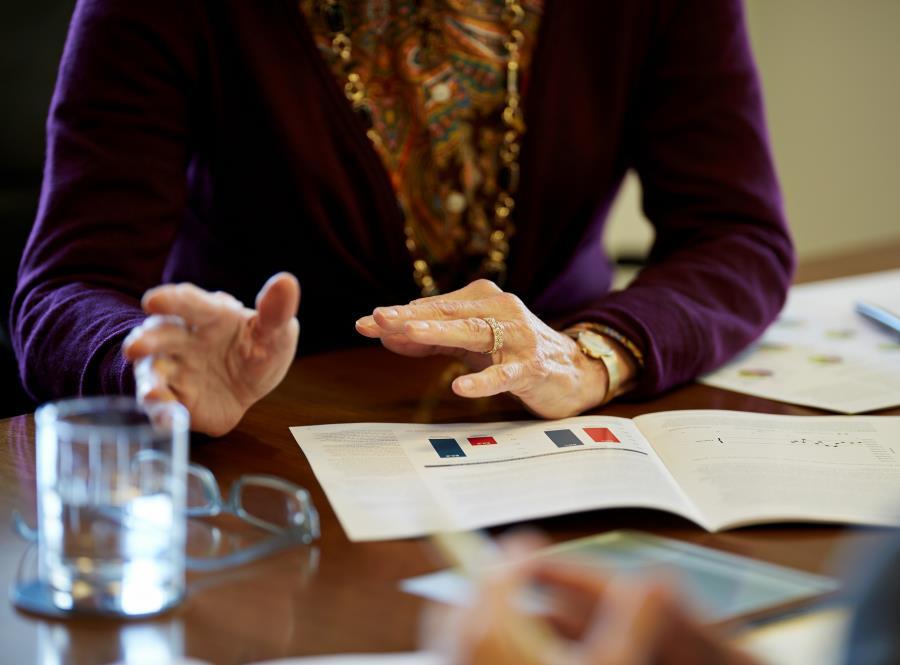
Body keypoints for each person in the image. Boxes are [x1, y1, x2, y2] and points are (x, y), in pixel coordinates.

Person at [11, 0, 794, 435]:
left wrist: (591, 353)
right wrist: (150, 367)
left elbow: (736, 232)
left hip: (553, 433)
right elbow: (64, 286)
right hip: (267, 440)